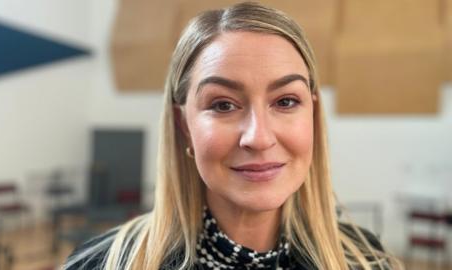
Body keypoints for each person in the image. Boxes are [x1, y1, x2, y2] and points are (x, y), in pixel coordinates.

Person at [64, 2, 402, 269]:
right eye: (223, 105)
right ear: (184, 125)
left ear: (312, 114)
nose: (258, 137)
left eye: (286, 101)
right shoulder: (102, 263)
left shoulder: (366, 260)